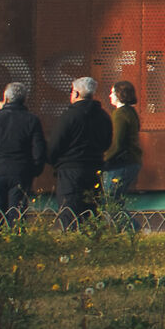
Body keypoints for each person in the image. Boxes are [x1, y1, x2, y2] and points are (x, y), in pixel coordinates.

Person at [0, 81, 48, 226]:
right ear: (24, 99)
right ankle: (16, 241)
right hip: (21, 171)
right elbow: (39, 149)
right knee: (17, 214)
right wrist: (34, 170)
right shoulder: (32, 121)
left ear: (6, 98)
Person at [49, 76, 111, 224]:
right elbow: (107, 142)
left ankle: (72, 242)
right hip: (95, 168)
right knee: (91, 211)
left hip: (70, 170)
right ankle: (90, 243)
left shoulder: (69, 116)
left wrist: (54, 162)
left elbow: (55, 144)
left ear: (76, 93)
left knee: (69, 212)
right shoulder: (103, 116)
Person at [104, 80, 143, 219]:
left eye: (112, 92)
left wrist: (104, 160)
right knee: (115, 200)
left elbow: (117, 142)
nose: (110, 96)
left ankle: (130, 229)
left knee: (111, 201)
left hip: (121, 163)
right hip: (132, 161)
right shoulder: (131, 112)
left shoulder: (119, 114)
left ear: (119, 95)